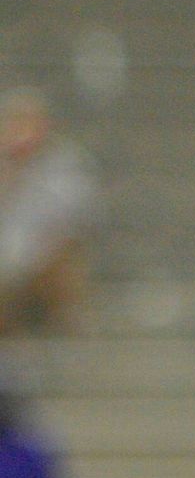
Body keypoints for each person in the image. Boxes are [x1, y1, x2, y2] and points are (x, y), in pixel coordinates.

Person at [0, 86, 97, 332]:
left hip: (41, 259)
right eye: (15, 123)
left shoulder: (65, 163)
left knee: (64, 260)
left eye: (29, 124)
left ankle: (61, 327)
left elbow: (72, 215)